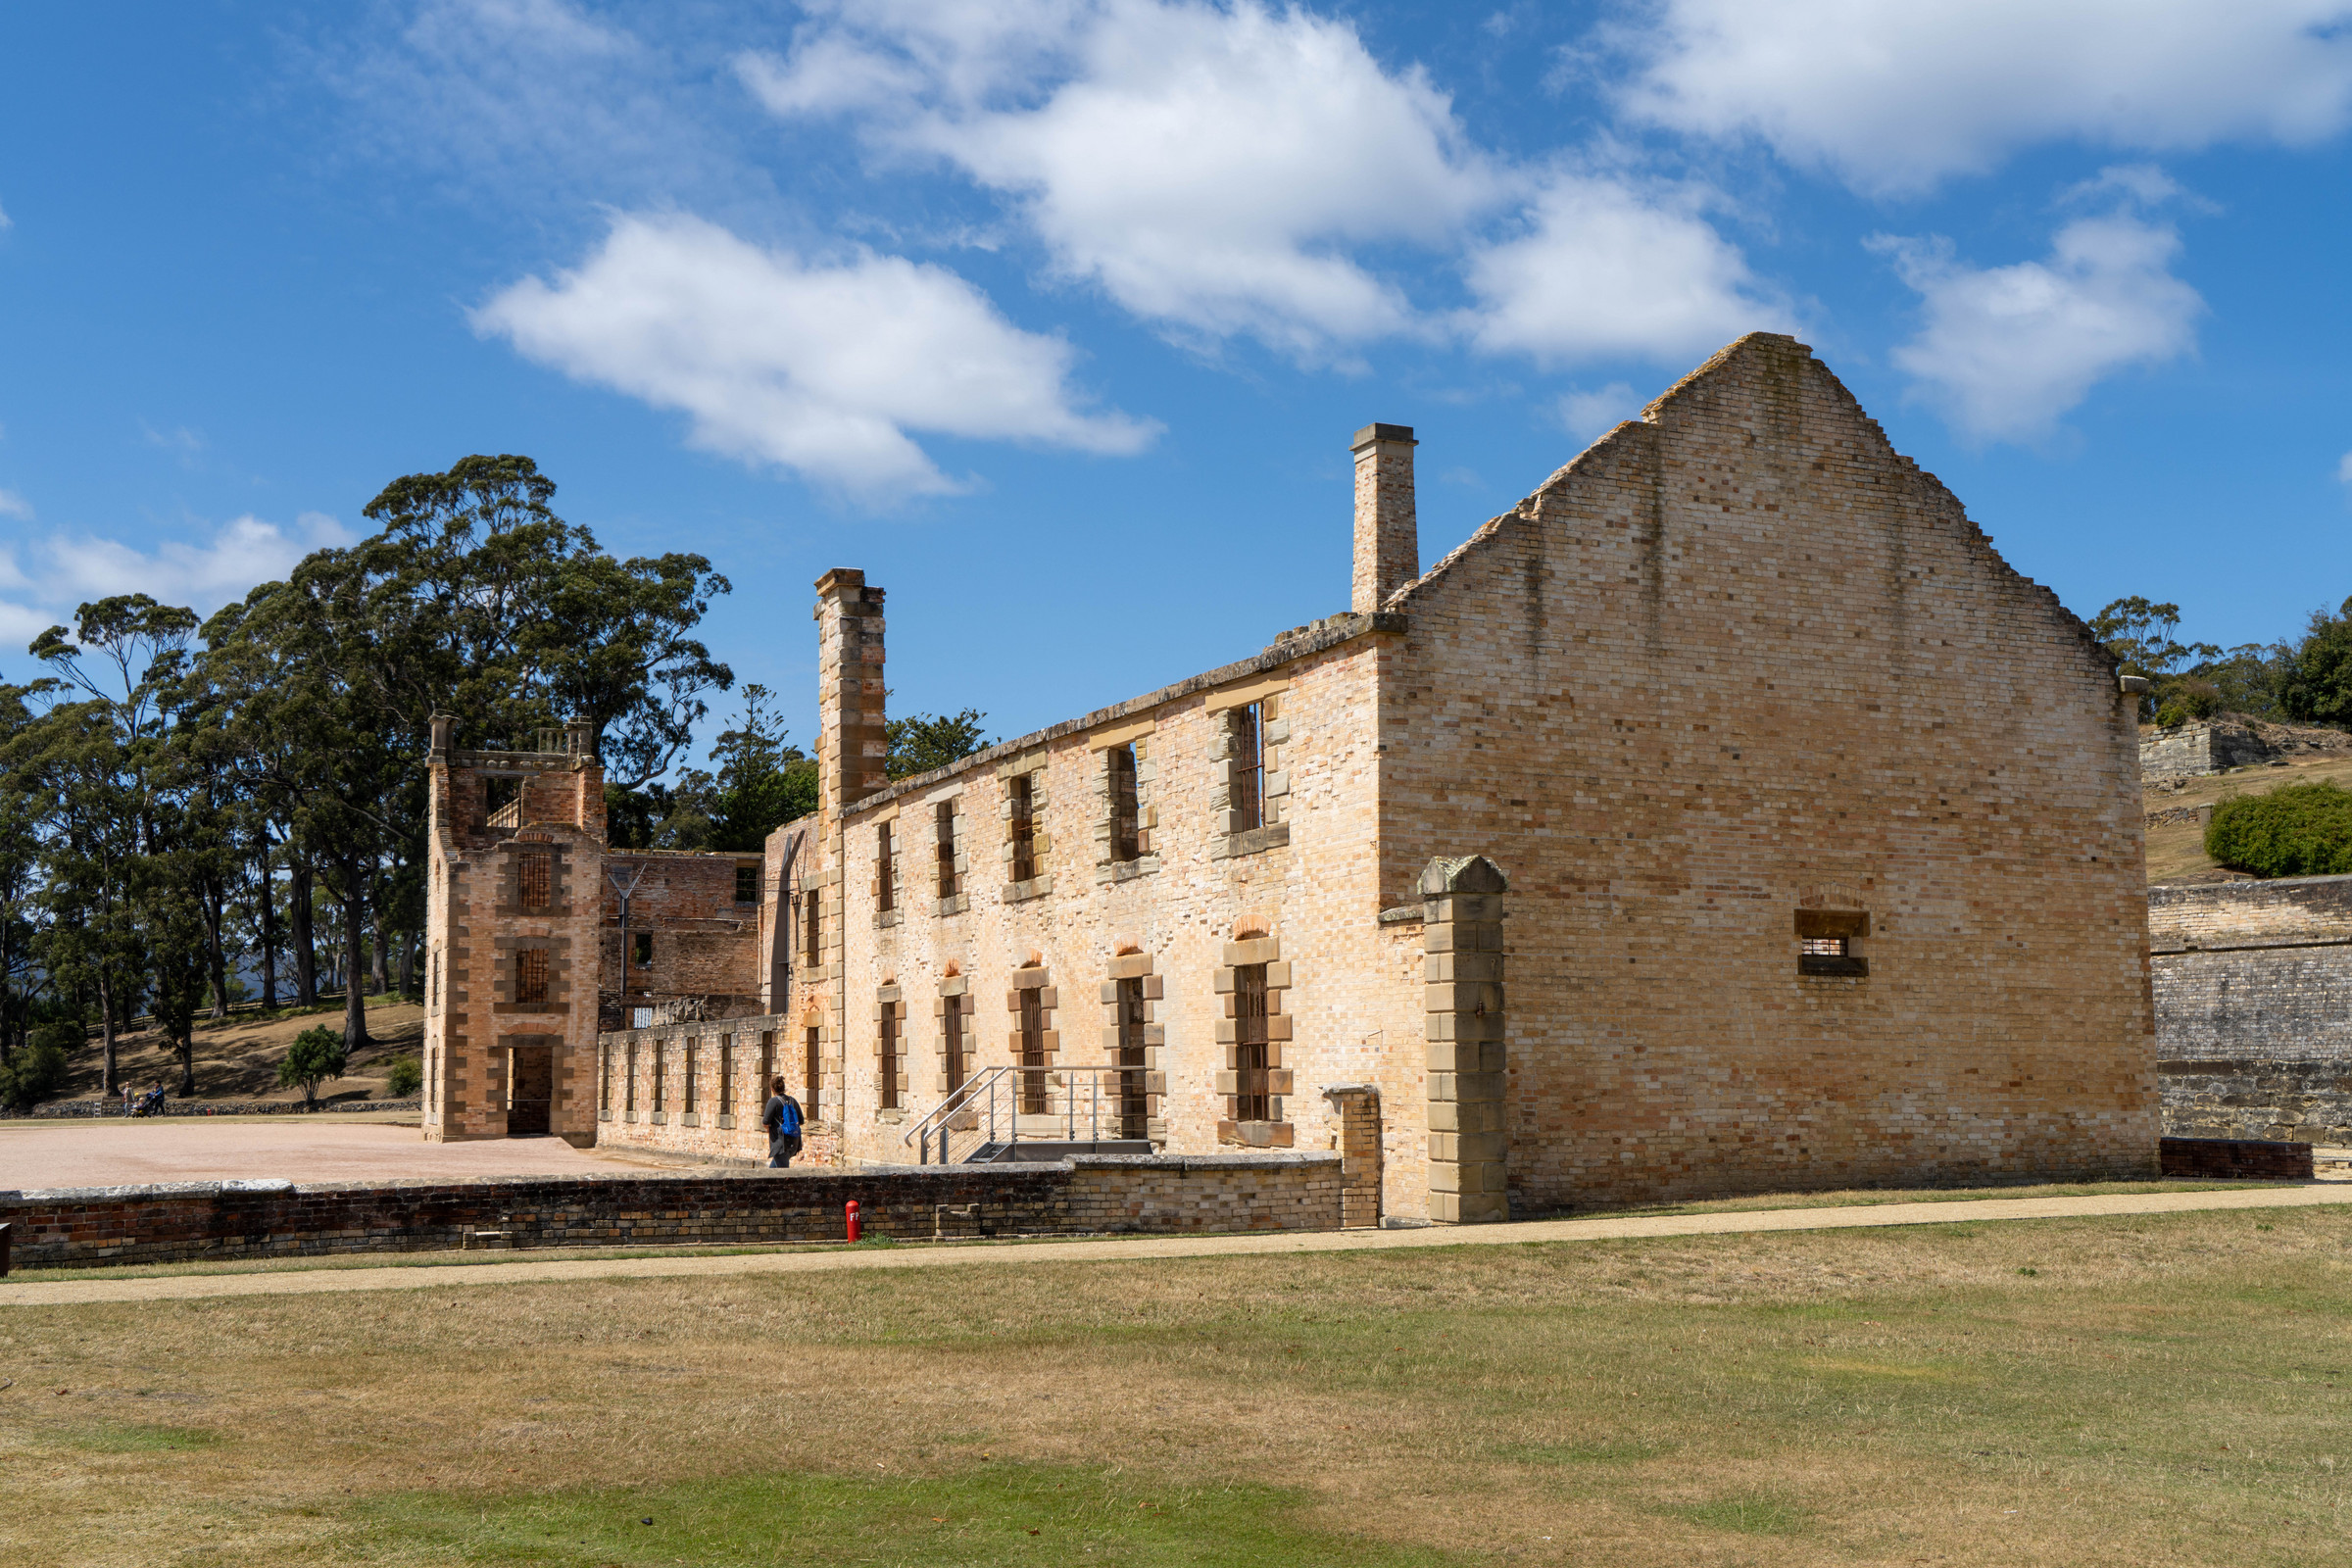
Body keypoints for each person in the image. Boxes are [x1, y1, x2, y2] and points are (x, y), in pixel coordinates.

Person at [763, 1075, 804, 1168]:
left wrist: (769, 1129)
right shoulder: (792, 1101)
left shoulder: (773, 1101)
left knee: (784, 1175)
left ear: (772, 1089)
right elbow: (801, 1121)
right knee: (771, 1173)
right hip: (794, 1141)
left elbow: (765, 1122)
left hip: (780, 1144)